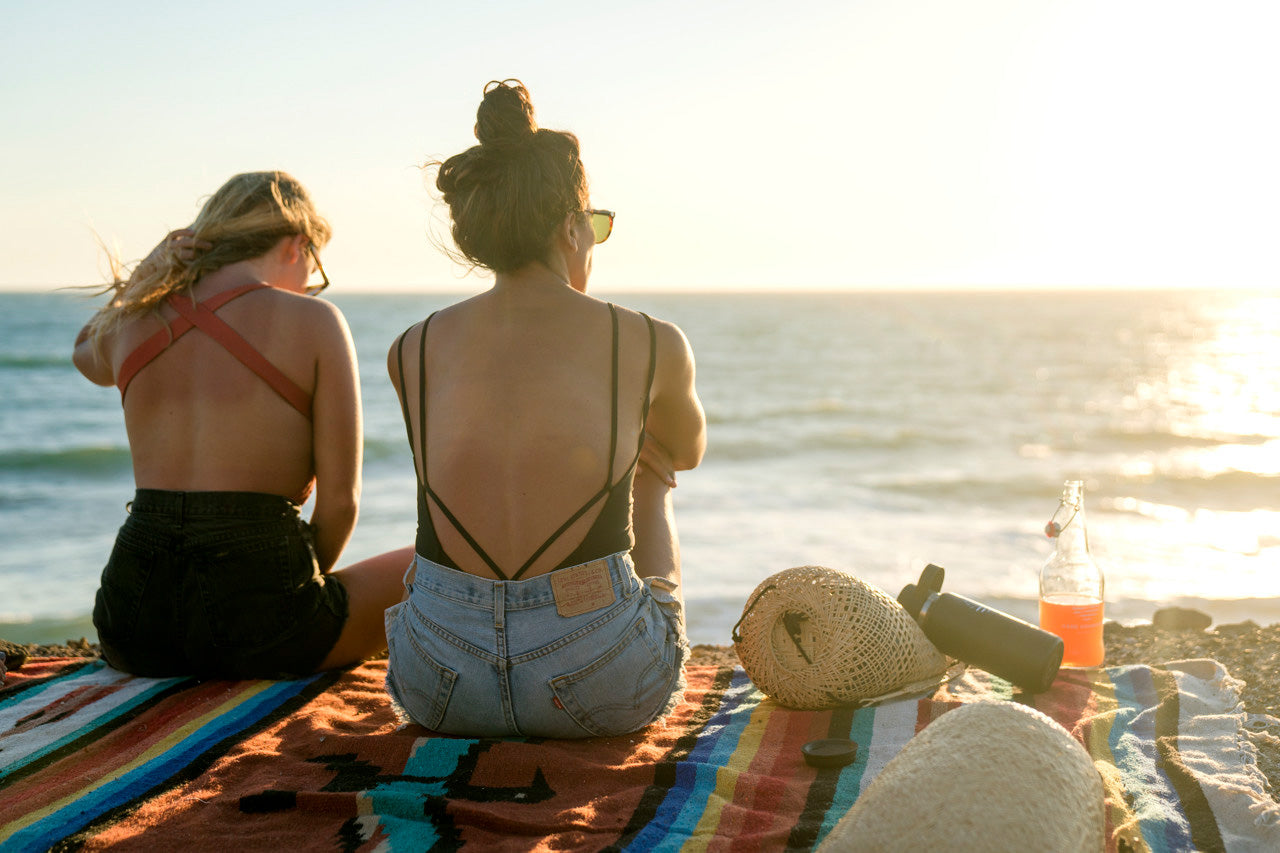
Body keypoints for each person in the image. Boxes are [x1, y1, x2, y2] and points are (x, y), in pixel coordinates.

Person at [384, 80, 707, 738]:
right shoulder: (648, 339)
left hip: (437, 679)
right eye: (595, 225)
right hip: (597, 670)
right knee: (651, 466)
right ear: (568, 225)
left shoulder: (411, 347)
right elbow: (688, 450)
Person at [73, 171, 410, 679]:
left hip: (133, 626)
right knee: (438, 560)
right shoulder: (316, 322)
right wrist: (289, 591)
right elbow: (342, 503)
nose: (311, 285)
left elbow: (86, 356)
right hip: (266, 620)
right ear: (297, 245)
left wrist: (145, 279)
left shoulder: (133, 321)